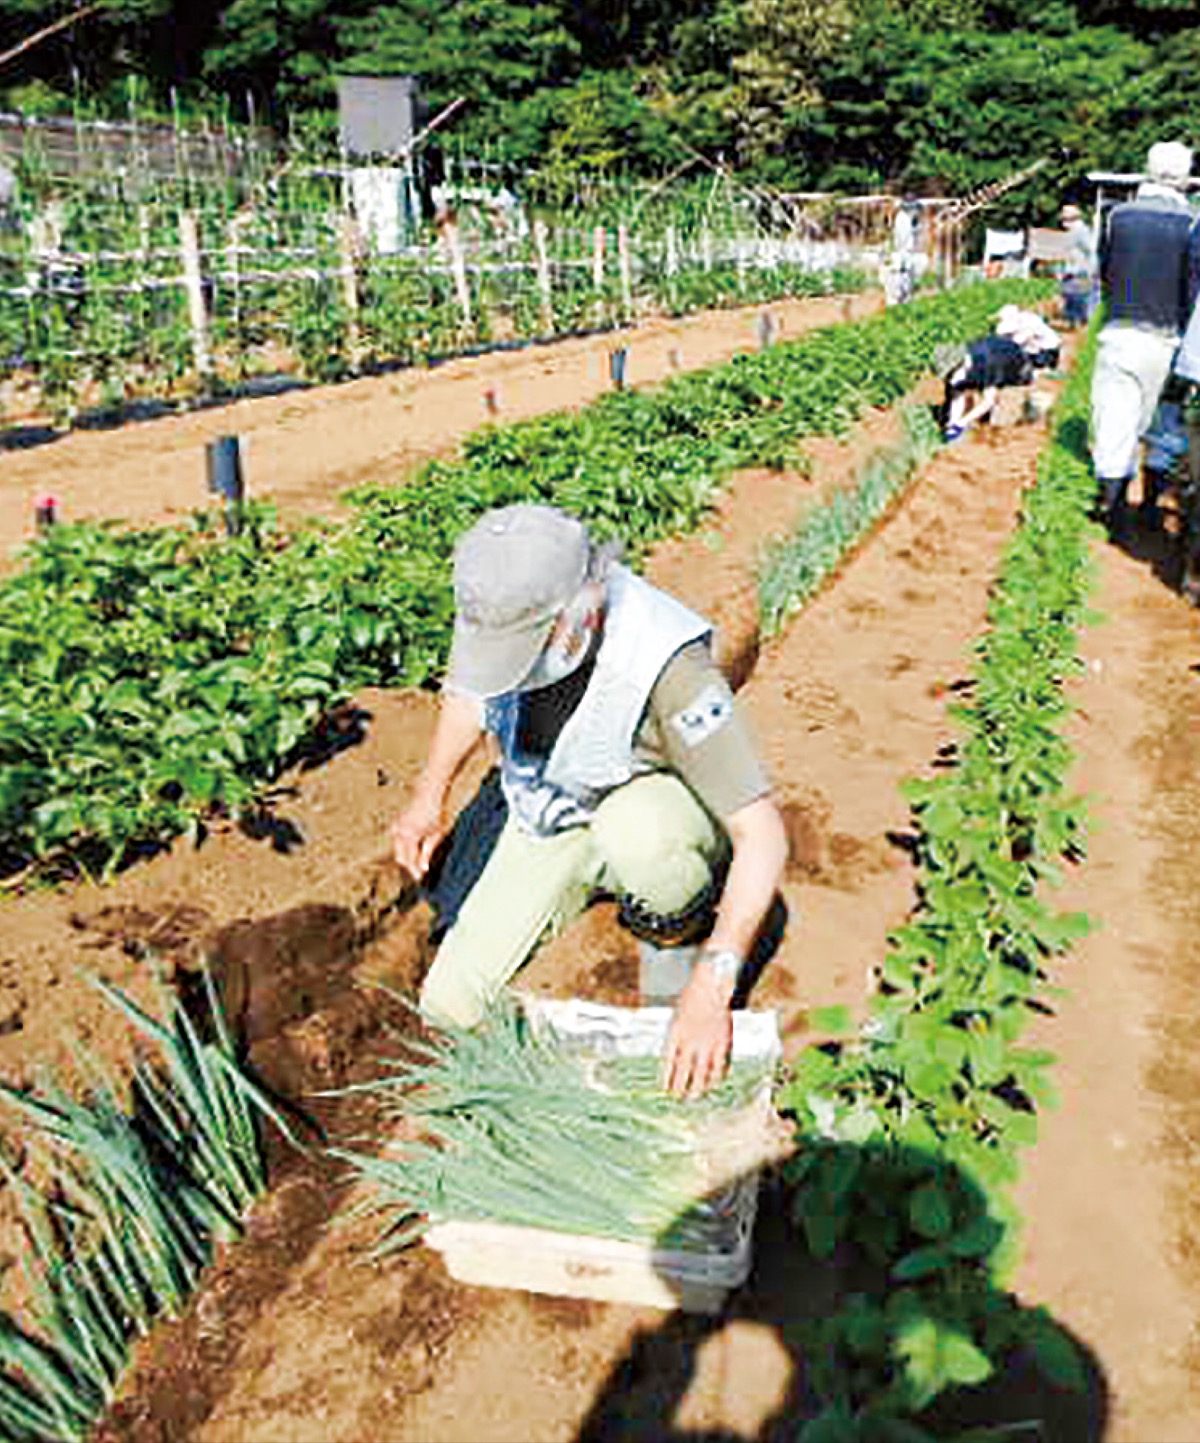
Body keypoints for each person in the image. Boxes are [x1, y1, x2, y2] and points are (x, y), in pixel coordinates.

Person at [390, 504, 789, 1097]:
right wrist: (428, 797)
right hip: (553, 805)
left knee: (639, 837)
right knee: (449, 1006)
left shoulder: (668, 664)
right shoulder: (502, 602)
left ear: (583, 611)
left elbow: (763, 834)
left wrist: (714, 984)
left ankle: (672, 921)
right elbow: (469, 693)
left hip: (651, 803)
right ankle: (585, 878)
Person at [1090, 139, 1200, 537]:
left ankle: (1113, 509)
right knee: (1164, 425)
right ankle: (1151, 509)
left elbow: (1106, 275)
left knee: (1114, 420)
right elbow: (1193, 288)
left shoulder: (1118, 217)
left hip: (1120, 331)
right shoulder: (1191, 223)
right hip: (1169, 339)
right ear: (1184, 178)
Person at [939, 330, 1035, 442]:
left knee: (1001, 414)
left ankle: (1032, 411)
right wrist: (952, 423)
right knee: (963, 389)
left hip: (1015, 365)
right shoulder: (953, 359)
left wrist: (961, 424)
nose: (951, 379)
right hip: (992, 354)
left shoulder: (987, 366)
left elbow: (988, 400)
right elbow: (957, 394)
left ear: (964, 366)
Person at [1059, 202, 1097, 328]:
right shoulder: (1074, 230)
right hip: (1074, 272)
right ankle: (1075, 324)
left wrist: (1090, 270)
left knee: (1079, 300)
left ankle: (1082, 326)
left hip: (1080, 272)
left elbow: (1090, 250)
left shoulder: (1080, 230)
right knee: (1071, 297)